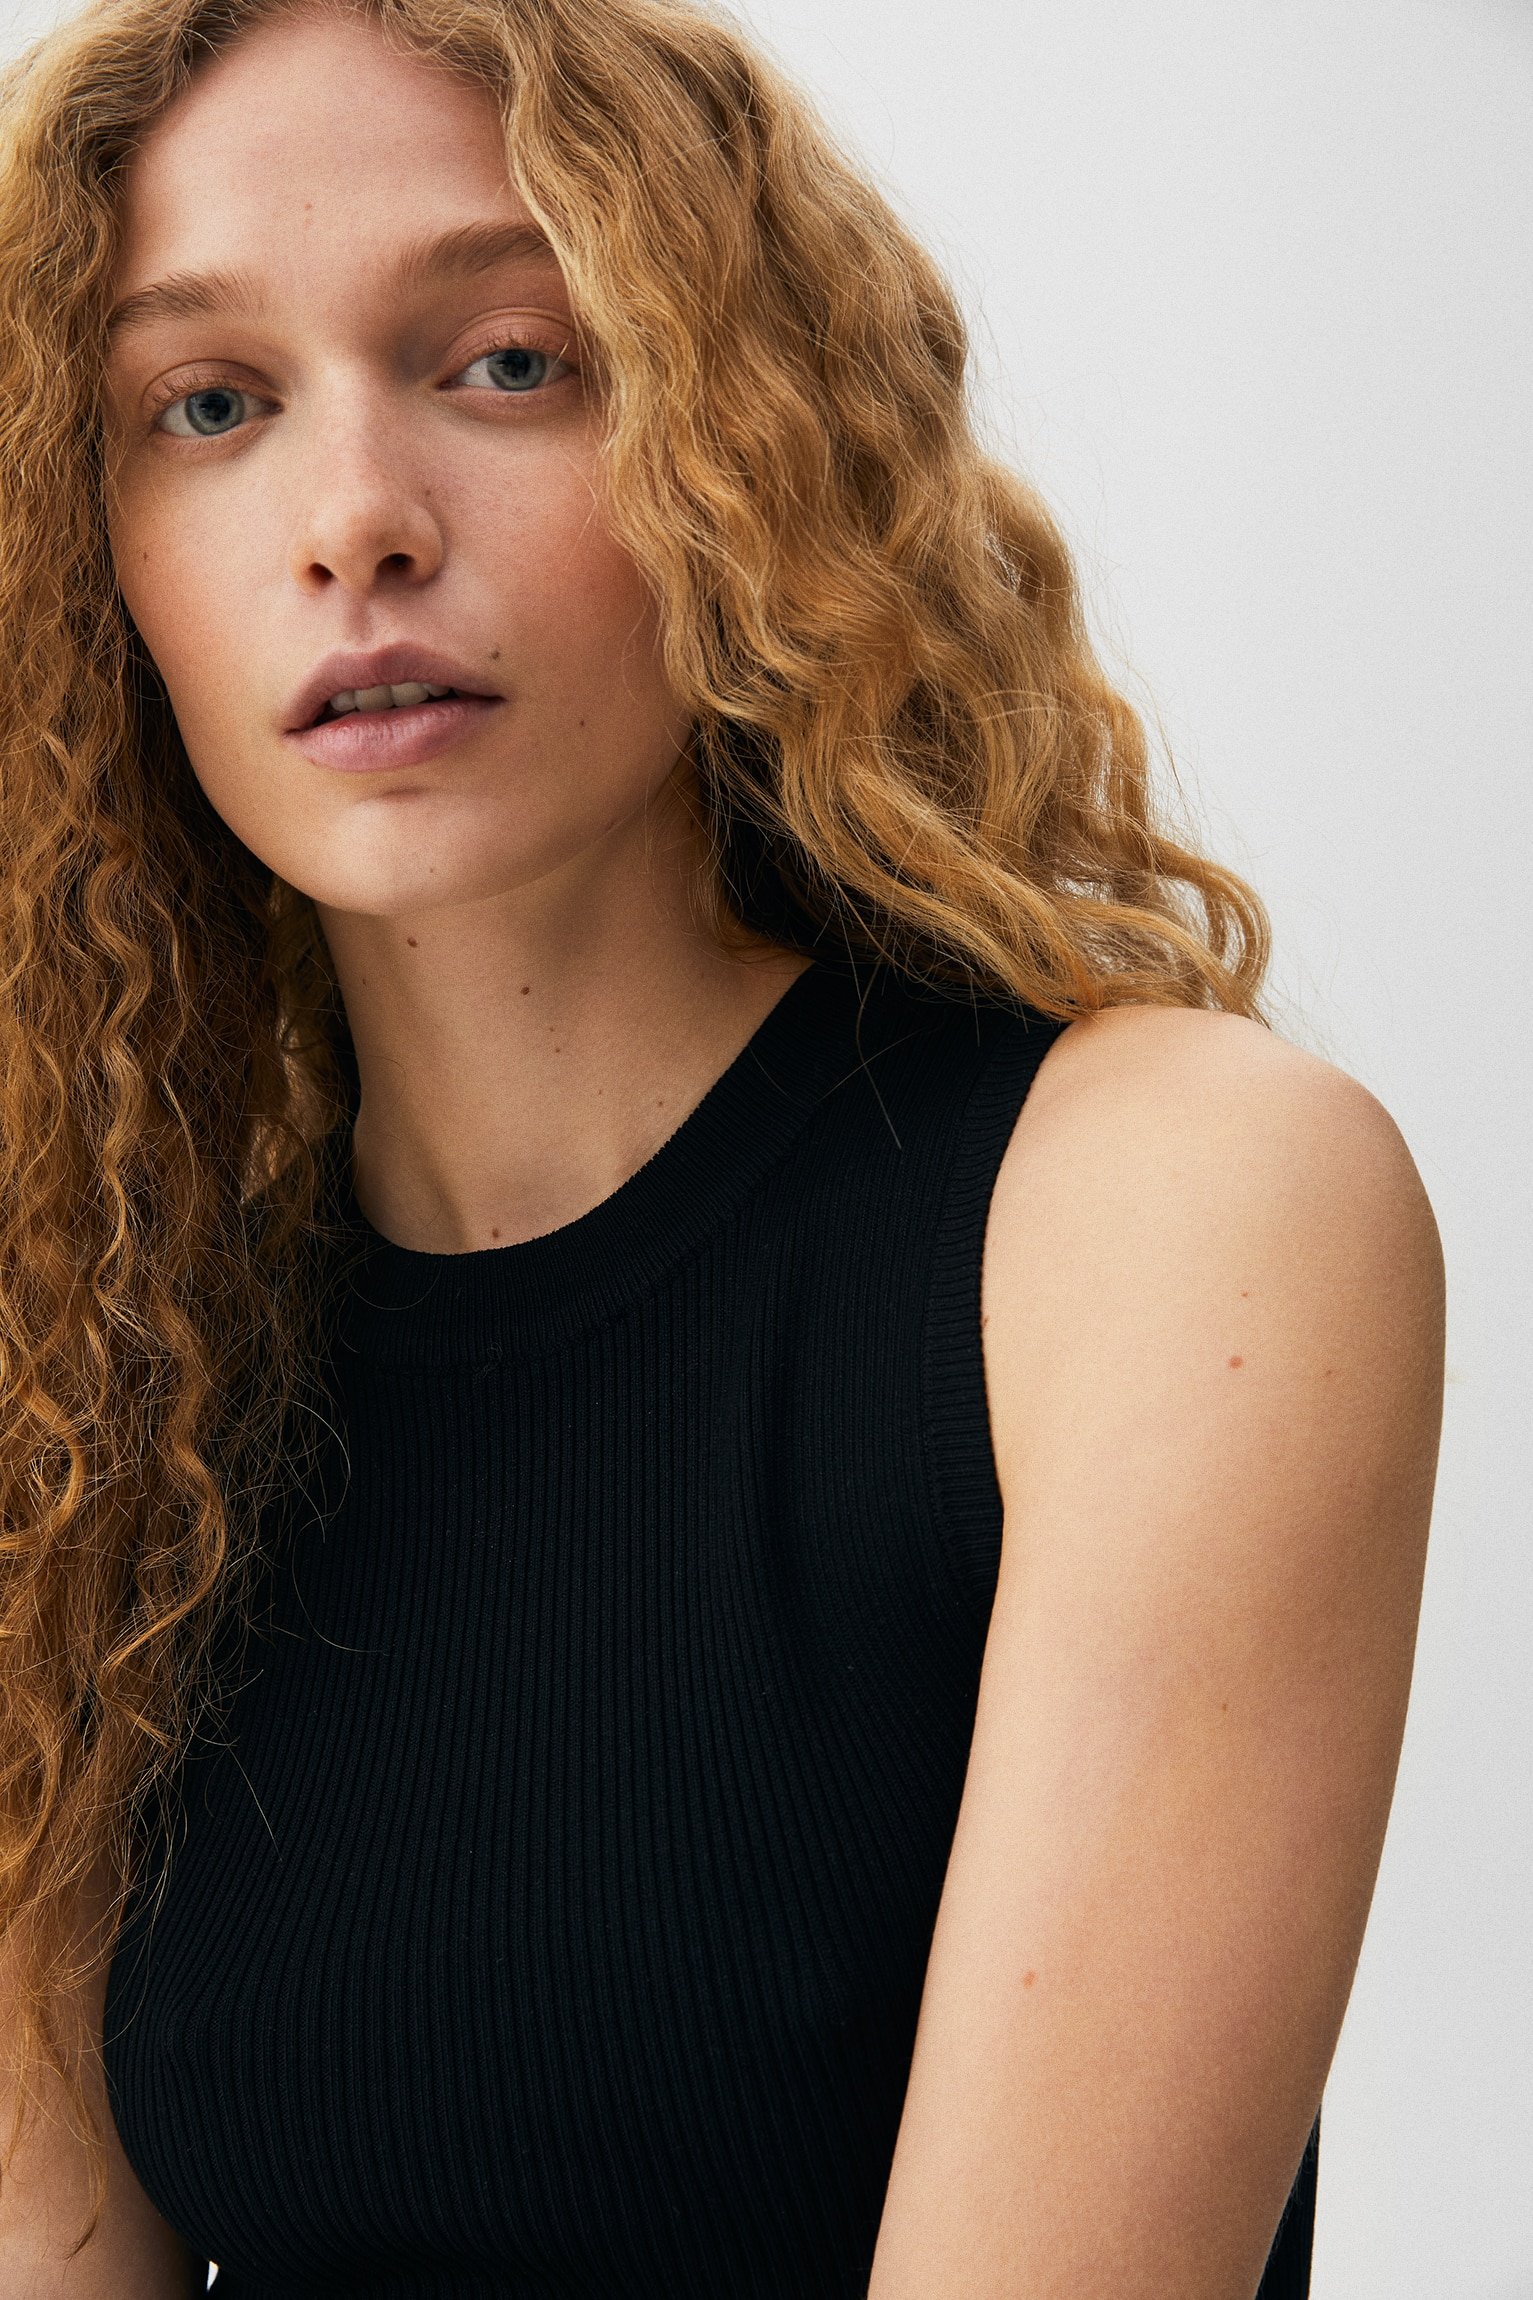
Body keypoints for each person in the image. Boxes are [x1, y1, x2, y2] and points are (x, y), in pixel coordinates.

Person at [0, 0, 1444, 2291]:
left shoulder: (1157, 1216)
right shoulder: (104, 1385)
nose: (354, 521)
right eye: (206, 404)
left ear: (732, 440)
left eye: (507, 363)